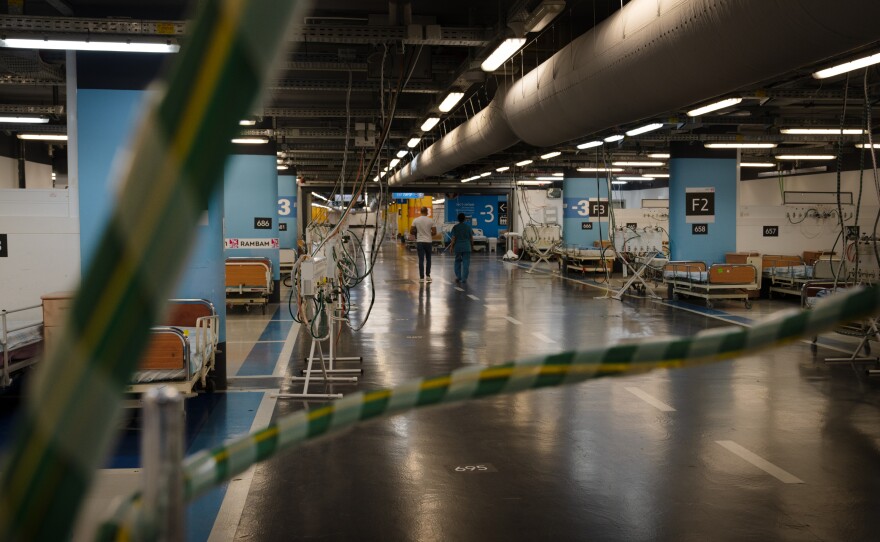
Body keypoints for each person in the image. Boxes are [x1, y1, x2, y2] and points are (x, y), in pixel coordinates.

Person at [410, 206, 436, 282]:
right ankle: (428, 276)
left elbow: (411, 231)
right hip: (428, 242)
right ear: (427, 212)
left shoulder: (416, 220)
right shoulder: (431, 220)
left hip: (420, 242)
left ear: (420, 212)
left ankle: (421, 278)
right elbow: (434, 232)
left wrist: (417, 232)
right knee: (429, 259)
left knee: (421, 260)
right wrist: (428, 233)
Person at [449, 212, 474, 283]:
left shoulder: (455, 227)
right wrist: (472, 246)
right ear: (465, 219)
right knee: (466, 262)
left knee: (457, 261)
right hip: (467, 247)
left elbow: (453, 238)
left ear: (458, 219)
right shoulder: (468, 227)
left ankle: (458, 276)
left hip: (458, 247)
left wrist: (451, 247)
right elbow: (471, 238)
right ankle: (464, 278)